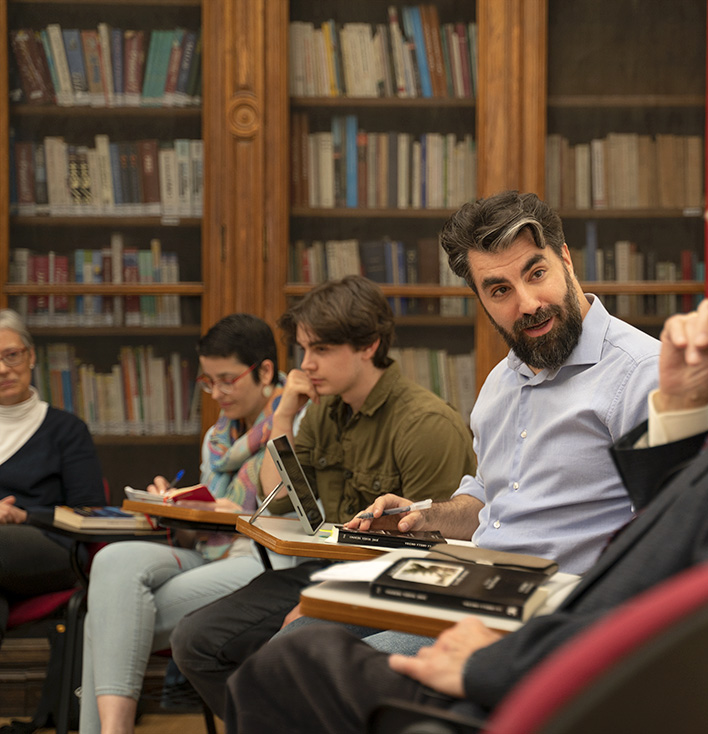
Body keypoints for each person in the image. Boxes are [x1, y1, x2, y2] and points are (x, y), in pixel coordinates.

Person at [220, 93, 708, 734]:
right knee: (303, 647)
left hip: (591, 698)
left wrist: (495, 664)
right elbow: (703, 553)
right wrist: (683, 410)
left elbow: (705, 616)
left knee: (291, 665)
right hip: (596, 668)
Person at [172, 192, 660, 716]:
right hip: (466, 579)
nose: (526, 302)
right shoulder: (500, 384)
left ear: (565, 260)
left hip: (545, 616)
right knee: (284, 650)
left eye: (535, 273)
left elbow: (662, 537)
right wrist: (423, 516)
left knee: (311, 686)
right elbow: (486, 502)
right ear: (481, 299)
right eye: (499, 289)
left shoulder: (640, 375)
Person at [170, 275, 480, 716]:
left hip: (388, 584)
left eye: (321, 350)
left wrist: (326, 601)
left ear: (368, 345)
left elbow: (433, 558)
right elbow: (279, 498)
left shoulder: (425, 424)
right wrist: (284, 416)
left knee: (284, 658)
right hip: (323, 570)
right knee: (194, 641)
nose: (305, 364)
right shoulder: (321, 411)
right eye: (302, 349)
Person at [79, 313, 301, 734]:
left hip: (266, 561)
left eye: (227, 379)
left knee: (105, 618)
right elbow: (199, 528)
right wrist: (174, 506)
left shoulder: (297, 418)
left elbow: (297, 512)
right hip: (210, 551)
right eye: (207, 381)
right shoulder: (217, 439)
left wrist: (230, 515)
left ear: (265, 371)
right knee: (111, 561)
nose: (216, 393)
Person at [0, 309, 104, 638]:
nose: (3, 369)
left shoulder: (67, 430)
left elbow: (90, 510)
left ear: (30, 357)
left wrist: (22, 516)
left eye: (11, 355)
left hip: (53, 548)